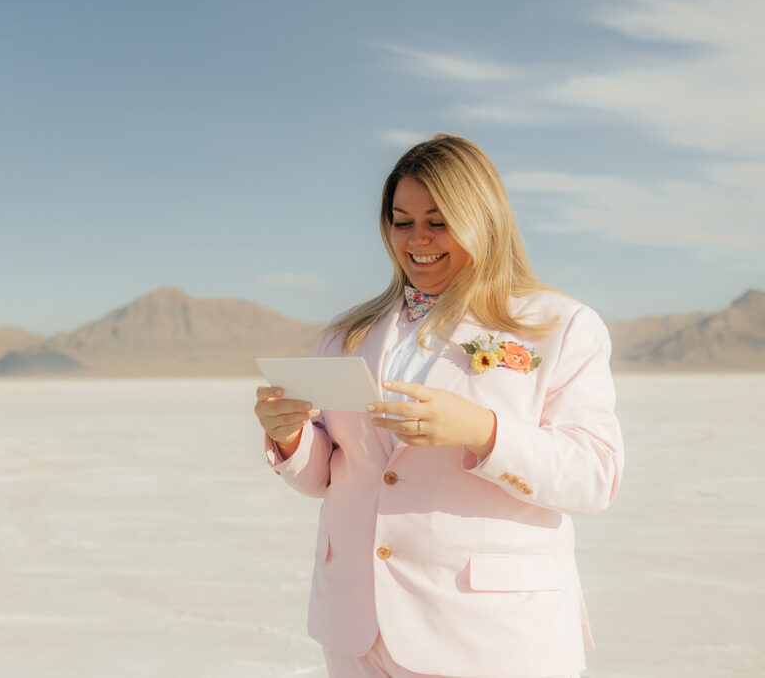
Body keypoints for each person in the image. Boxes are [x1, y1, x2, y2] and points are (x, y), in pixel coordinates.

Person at [254, 134, 624, 678]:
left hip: (492, 633)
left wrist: (483, 432)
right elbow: (331, 477)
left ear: (483, 219)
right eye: (402, 222)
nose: (417, 239)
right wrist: (291, 439)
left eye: (439, 220)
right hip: (359, 629)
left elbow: (595, 477)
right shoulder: (346, 334)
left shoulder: (557, 326)